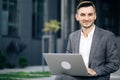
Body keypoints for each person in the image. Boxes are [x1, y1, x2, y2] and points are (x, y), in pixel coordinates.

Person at [55, 1, 120, 80]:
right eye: (82, 15)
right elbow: (69, 61)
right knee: (60, 77)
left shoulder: (107, 36)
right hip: (77, 76)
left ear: (95, 16)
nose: (86, 18)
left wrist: (95, 71)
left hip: (97, 77)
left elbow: (114, 64)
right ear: (77, 17)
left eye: (90, 14)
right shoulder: (72, 37)